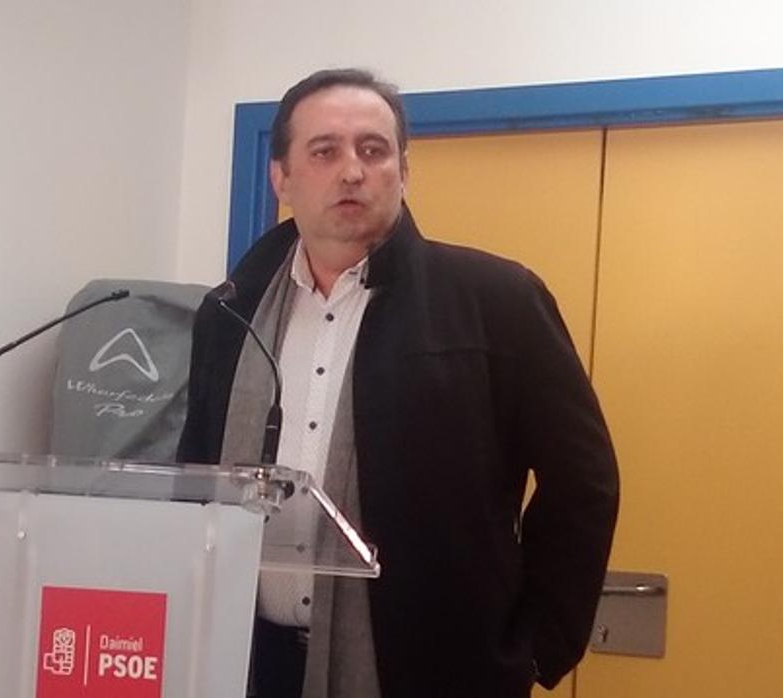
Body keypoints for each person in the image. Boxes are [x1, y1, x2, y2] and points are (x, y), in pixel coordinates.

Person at [178, 68, 619, 698]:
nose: (352, 171)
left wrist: (533, 646)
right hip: (246, 663)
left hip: (435, 670)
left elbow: (584, 482)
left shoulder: (496, 301)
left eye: (373, 150)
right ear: (282, 177)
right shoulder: (230, 312)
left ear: (404, 171)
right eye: (324, 151)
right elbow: (194, 477)